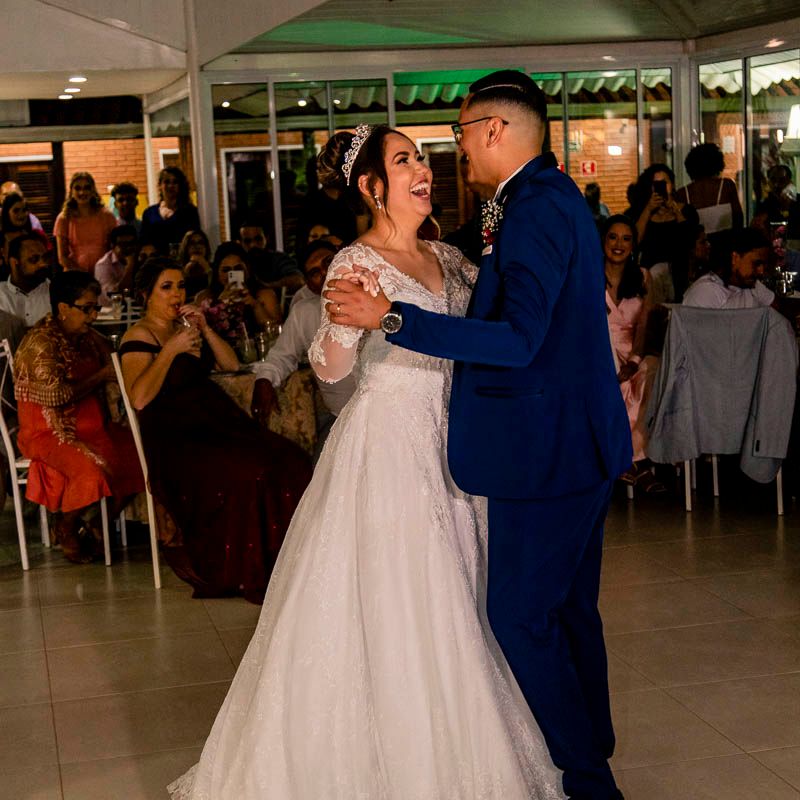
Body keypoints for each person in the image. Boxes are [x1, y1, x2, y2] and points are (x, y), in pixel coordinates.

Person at [168, 124, 564, 799]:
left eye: (423, 158)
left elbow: (487, 332)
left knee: (458, 597)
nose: (423, 169)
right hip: (389, 444)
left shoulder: (448, 256)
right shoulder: (355, 261)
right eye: (404, 160)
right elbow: (329, 372)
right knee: (401, 600)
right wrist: (347, 324)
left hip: (454, 441)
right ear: (373, 186)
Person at [324, 70, 631, 800]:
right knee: (565, 610)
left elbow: (519, 337)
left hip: (546, 448)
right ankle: (592, 748)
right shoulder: (537, 201)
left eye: (458, 134)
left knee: (519, 616)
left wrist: (392, 318)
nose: (449, 153)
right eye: (407, 158)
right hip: (556, 439)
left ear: (493, 129)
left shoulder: (533, 208)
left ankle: (589, 778)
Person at [119, 257, 311, 602]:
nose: (177, 294)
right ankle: (250, 566)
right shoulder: (139, 335)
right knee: (251, 471)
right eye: (167, 287)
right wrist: (170, 350)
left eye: (180, 286)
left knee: (289, 457)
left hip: (215, 422)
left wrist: (205, 328)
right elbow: (140, 397)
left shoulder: (184, 329)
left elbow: (231, 364)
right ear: (146, 294)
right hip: (178, 436)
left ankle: (296, 562)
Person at [13, 272, 144, 562]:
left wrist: (96, 337)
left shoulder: (82, 335)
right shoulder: (41, 344)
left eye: (95, 308)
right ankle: (66, 525)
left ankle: (100, 523)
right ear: (63, 308)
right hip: (49, 430)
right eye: (86, 309)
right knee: (95, 468)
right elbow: (58, 396)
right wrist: (101, 376)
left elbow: (112, 356)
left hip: (91, 424)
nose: (93, 315)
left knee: (139, 457)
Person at [251, 239, 355, 455]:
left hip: (388, 412)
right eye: (315, 273)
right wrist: (264, 380)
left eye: (328, 261)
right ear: (310, 284)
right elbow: (281, 356)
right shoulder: (304, 312)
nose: (325, 273)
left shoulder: (377, 296)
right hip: (341, 419)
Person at [602, 215, 664, 492]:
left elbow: (645, 324)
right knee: (608, 381)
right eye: (613, 237)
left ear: (633, 245)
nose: (619, 244)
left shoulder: (643, 276)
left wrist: (635, 361)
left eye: (626, 239)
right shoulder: (588, 276)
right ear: (603, 240)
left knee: (647, 374)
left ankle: (629, 460)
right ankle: (634, 463)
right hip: (601, 351)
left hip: (634, 350)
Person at [628, 163, 699, 300]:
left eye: (665, 182)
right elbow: (634, 241)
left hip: (679, 274)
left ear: (672, 184)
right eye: (656, 184)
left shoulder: (686, 211)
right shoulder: (642, 212)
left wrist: (675, 210)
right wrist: (648, 209)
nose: (662, 187)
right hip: (650, 278)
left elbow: (690, 239)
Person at [196, 241, 282, 345]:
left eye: (238, 269)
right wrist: (219, 305)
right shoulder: (204, 297)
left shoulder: (264, 295)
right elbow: (201, 335)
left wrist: (255, 305)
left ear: (247, 270)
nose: (232, 274)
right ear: (217, 274)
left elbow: (276, 333)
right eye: (226, 270)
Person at [683, 227, 775, 309]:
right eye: (756, 264)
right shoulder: (705, 292)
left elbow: (779, 313)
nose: (761, 271)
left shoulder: (753, 285)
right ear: (735, 258)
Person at [675, 143, 743, 243]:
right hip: (727, 246)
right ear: (717, 163)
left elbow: (681, 230)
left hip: (698, 249)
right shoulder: (726, 186)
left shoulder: (683, 193)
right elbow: (738, 219)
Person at [54, 172, 118, 272]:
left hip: (104, 272)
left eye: (87, 188)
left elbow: (114, 250)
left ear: (93, 190)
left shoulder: (107, 216)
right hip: (74, 274)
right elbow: (62, 258)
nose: (82, 192)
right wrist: (83, 275)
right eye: (77, 188)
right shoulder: (64, 218)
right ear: (71, 191)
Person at [140, 167, 201, 255]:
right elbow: (144, 242)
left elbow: (194, 239)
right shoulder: (149, 213)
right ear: (160, 186)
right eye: (167, 182)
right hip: (156, 260)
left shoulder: (190, 212)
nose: (171, 186)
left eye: (175, 182)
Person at [237, 218, 304, 292]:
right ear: (240, 243)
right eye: (247, 241)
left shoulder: (278, 259)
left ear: (266, 238)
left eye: (258, 239)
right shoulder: (238, 261)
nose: (253, 245)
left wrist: (267, 287)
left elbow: (298, 280)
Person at [0, 233, 52, 326]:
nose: (43, 264)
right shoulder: (1, 295)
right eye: (34, 259)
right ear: (14, 262)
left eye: (45, 258)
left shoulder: (55, 292)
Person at [94, 224, 138, 305]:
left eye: (131, 244)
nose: (129, 248)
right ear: (112, 246)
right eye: (124, 245)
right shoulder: (103, 265)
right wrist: (130, 268)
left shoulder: (140, 258)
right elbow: (113, 296)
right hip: (110, 310)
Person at [177, 229, 212, 300]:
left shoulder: (213, 268)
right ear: (186, 248)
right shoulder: (178, 269)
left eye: (201, 243)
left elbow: (214, 292)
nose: (197, 247)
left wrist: (208, 269)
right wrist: (185, 272)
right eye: (192, 243)